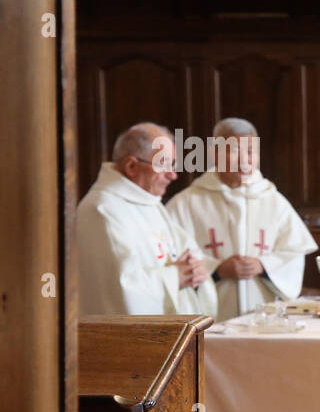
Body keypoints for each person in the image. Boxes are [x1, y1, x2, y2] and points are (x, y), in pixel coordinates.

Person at [166, 118, 318, 321]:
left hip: (265, 317)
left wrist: (263, 265)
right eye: (235, 151)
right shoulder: (187, 203)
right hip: (209, 318)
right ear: (214, 153)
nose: (245, 160)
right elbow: (169, 256)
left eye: (251, 151)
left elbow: (294, 252)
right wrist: (217, 269)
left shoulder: (272, 199)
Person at [77, 122, 217, 316]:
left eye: (173, 164)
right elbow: (119, 289)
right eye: (164, 165)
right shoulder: (102, 210)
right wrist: (175, 277)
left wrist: (196, 269)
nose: (173, 175)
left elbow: (189, 254)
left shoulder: (150, 203)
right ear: (132, 166)